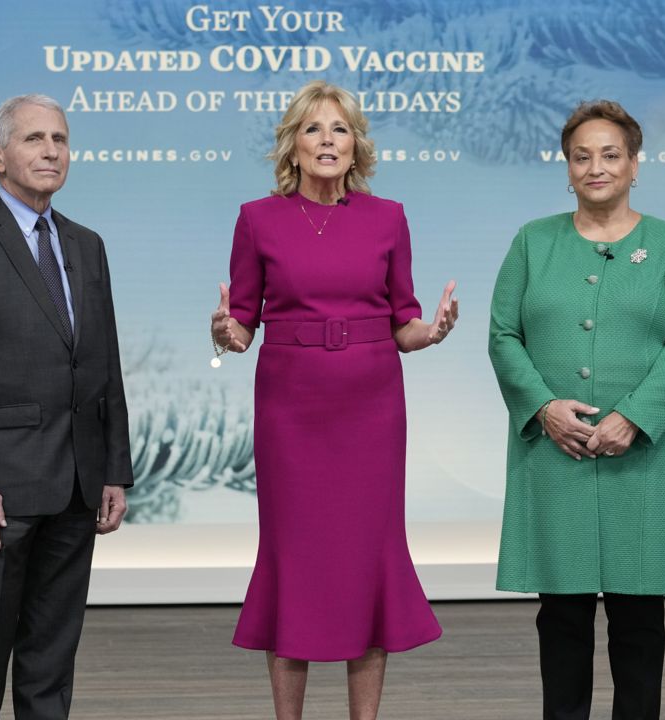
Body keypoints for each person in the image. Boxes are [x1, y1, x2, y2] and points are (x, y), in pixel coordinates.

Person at [210, 80, 456, 720]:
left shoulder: (389, 217)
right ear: (293, 144)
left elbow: (404, 320)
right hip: (291, 411)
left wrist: (430, 332)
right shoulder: (256, 218)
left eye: (340, 129)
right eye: (314, 129)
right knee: (293, 562)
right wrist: (226, 332)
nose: (327, 140)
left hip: (371, 410)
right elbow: (241, 323)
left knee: (365, 562)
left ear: (356, 147)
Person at [489, 99, 665, 720]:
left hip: (643, 461)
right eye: (581, 156)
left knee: (639, 615)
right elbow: (503, 334)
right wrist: (544, 407)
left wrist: (634, 418)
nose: (596, 167)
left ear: (635, 164)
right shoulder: (533, 243)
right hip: (554, 455)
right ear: (566, 168)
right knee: (561, 612)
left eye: (610, 154)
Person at [0, 94, 133, 719]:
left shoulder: (87, 245)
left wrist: (113, 467)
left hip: (76, 486)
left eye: (60, 139)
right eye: (34, 139)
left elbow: (105, 366)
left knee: (50, 665)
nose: (50, 151)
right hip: (0, 492)